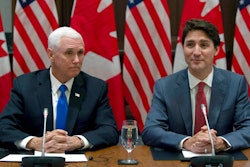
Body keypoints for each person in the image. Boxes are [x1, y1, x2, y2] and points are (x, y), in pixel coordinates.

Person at [0, 26, 119, 153]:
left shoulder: (95, 88)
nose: (77, 60)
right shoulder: (25, 85)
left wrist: (77, 141)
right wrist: (35, 142)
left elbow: (109, 130)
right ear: (51, 55)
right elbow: (4, 127)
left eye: (80, 53)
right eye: (69, 53)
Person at [142, 19, 250, 154]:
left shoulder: (235, 83)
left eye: (204, 45)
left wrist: (221, 143)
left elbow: (248, 128)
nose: (196, 52)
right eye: (190, 45)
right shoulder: (164, 86)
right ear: (183, 49)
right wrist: (188, 142)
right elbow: (151, 130)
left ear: (216, 50)